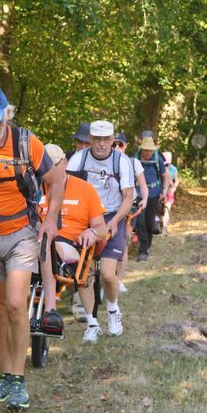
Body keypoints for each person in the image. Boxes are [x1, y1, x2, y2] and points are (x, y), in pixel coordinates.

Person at [0, 87, 64, 411]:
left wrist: (50, 220)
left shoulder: (26, 142)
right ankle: (5, 375)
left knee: (15, 304)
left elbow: (56, 179)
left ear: (7, 115)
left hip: (21, 233)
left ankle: (19, 381)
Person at [67, 120, 134, 338]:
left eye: (106, 139)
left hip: (112, 215)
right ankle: (92, 323)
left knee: (106, 273)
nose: (102, 144)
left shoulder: (122, 162)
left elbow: (128, 198)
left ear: (113, 140)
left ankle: (113, 309)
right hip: (85, 216)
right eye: (97, 139)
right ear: (91, 140)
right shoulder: (79, 159)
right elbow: (68, 189)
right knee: (84, 273)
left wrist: (113, 222)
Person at [39, 145, 107, 342]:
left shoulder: (85, 189)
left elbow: (102, 228)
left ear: (65, 163)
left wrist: (91, 231)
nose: (47, 169)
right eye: (43, 165)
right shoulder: (35, 188)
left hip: (69, 245)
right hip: (35, 243)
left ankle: (91, 323)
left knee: (49, 244)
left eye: (53, 164)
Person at [112, 133, 147, 293]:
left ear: (126, 146)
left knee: (122, 244)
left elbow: (143, 185)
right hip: (106, 208)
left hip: (128, 209)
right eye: (114, 144)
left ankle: (118, 280)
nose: (117, 148)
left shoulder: (133, 163)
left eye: (120, 144)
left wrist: (145, 199)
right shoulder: (103, 163)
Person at [134, 137, 170, 261]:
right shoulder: (134, 160)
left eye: (150, 150)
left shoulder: (157, 160)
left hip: (154, 194)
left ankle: (147, 244)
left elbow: (166, 176)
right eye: (146, 150)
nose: (148, 153)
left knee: (149, 223)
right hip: (138, 195)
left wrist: (164, 192)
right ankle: (143, 250)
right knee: (139, 222)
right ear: (141, 149)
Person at [162, 151, 179, 236]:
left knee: (164, 209)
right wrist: (174, 188)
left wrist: (174, 188)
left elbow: (176, 181)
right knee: (166, 209)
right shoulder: (173, 168)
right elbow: (176, 181)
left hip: (164, 191)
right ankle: (163, 228)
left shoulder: (159, 167)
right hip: (167, 191)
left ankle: (162, 227)